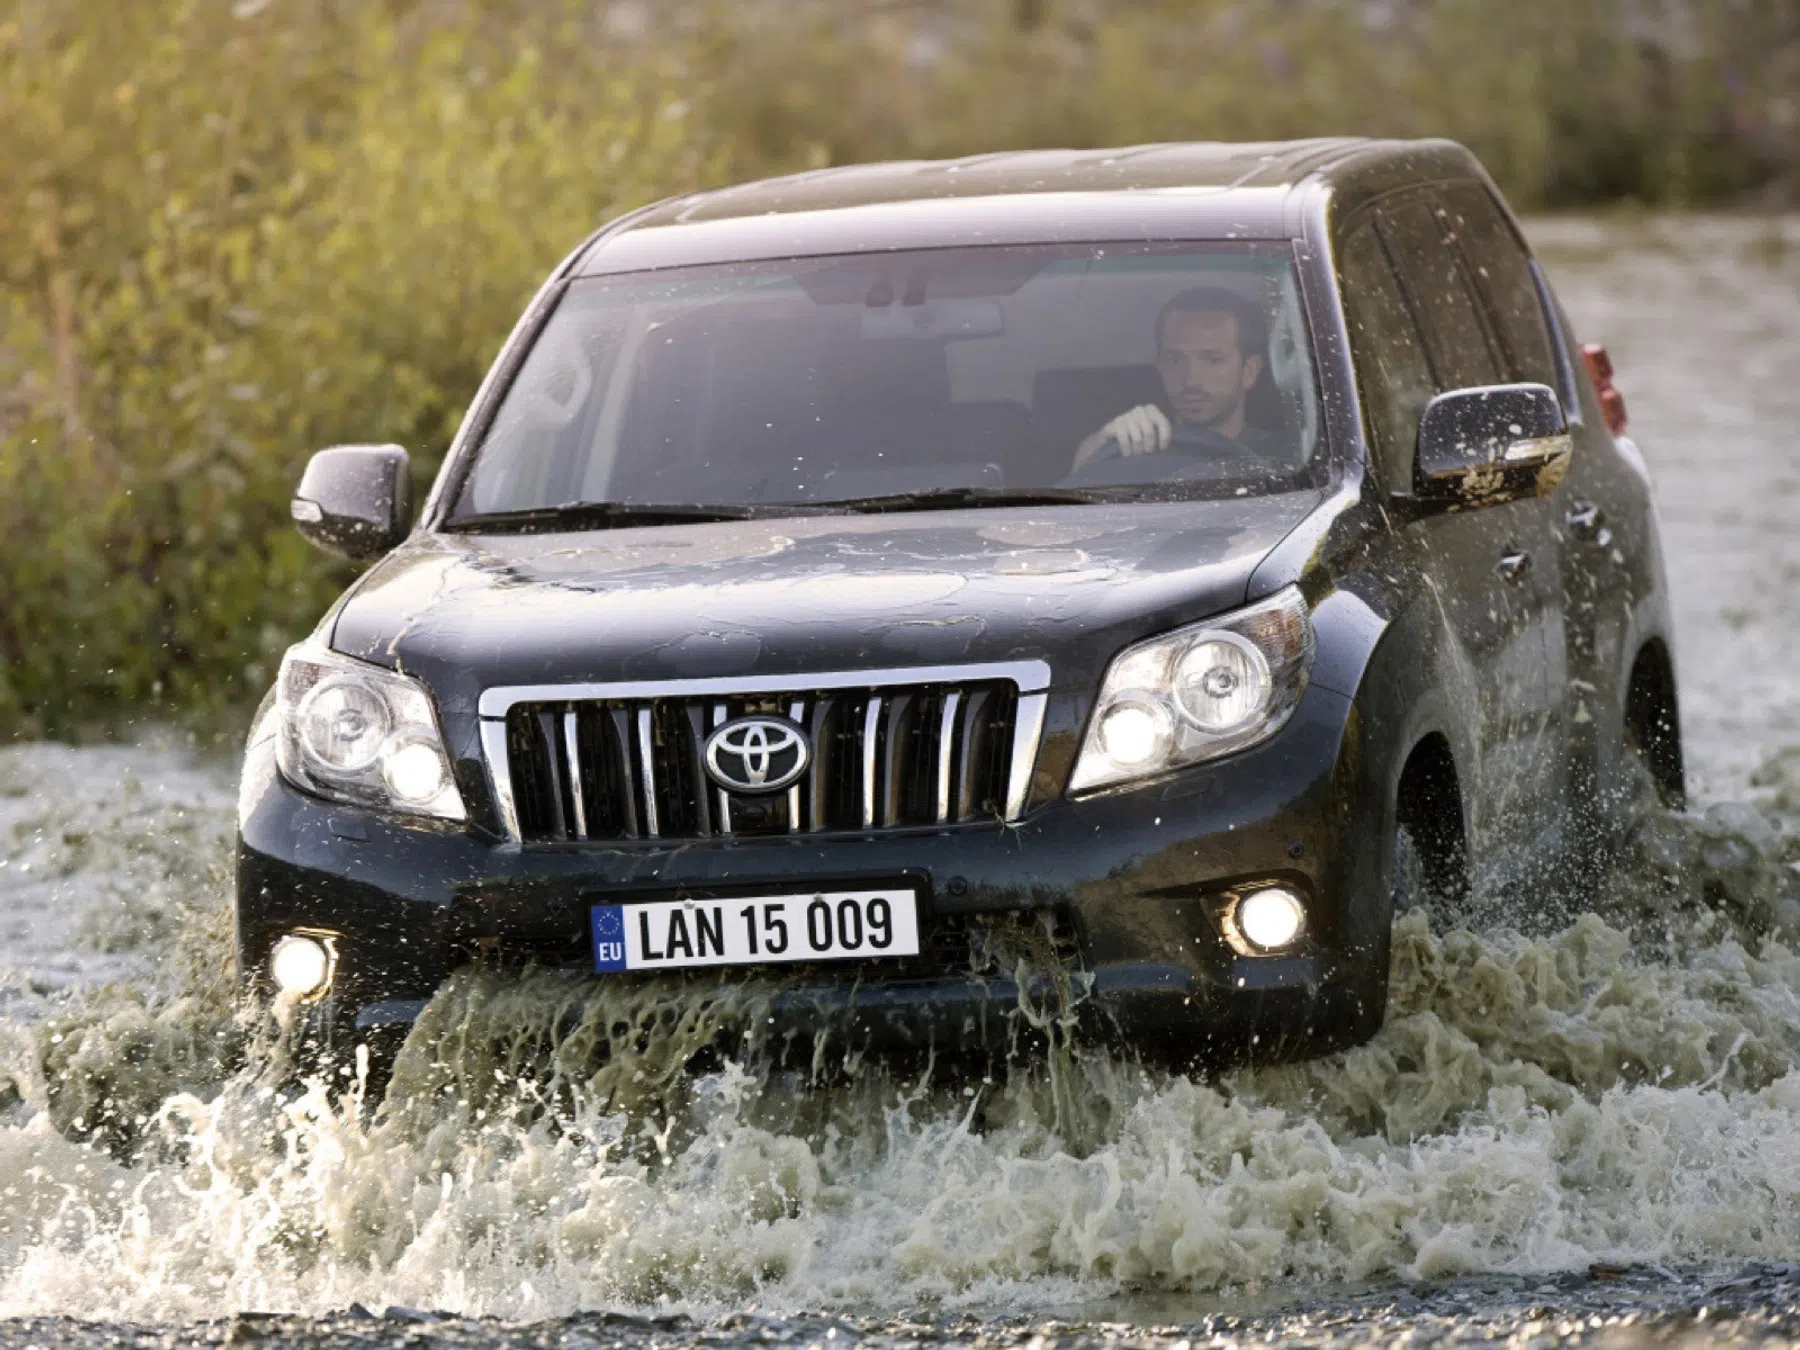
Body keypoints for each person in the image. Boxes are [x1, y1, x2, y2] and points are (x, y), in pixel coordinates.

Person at [1072, 286, 1280, 471]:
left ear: (1249, 371)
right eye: (1174, 359)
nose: (1190, 380)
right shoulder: (1135, 448)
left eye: (1212, 360)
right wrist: (1104, 442)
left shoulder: (1290, 463)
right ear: (1159, 366)